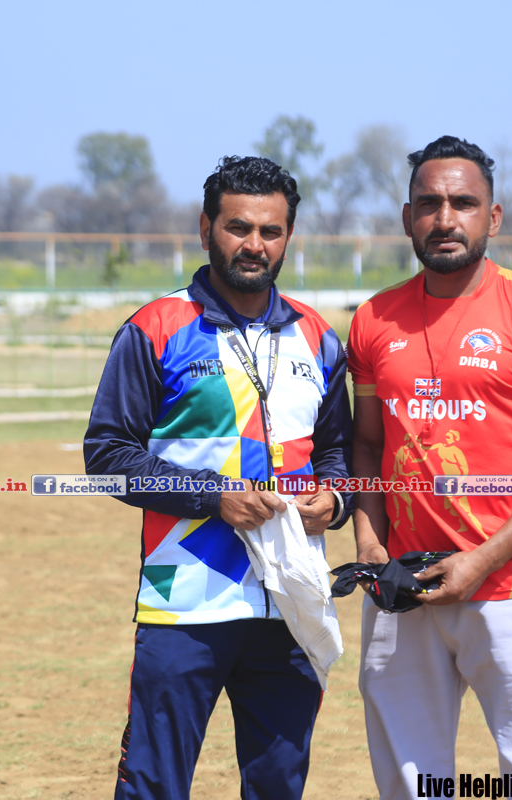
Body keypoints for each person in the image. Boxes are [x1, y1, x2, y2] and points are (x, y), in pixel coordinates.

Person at [84, 155, 354, 800]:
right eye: (238, 227)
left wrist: (336, 500)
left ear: (288, 236)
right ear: (206, 228)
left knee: (279, 785)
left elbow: (338, 454)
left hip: (291, 599)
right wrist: (211, 495)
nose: (254, 244)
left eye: (270, 231)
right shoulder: (154, 327)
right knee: (153, 785)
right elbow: (107, 454)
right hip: (185, 601)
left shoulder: (318, 336)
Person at [347, 136, 512, 795]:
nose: (445, 218)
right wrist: (370, 546)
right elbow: (368, 445)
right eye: (428, 203)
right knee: (411, 781)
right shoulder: (373, 319)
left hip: (511, 588)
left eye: (463, 203)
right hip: (403, 589)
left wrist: (481, 559)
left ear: (493, 217)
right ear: (408, 217)